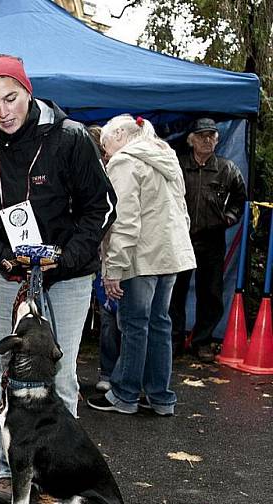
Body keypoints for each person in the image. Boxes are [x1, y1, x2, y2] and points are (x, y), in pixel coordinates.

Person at [0, 54, 116, 504]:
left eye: (11, 98)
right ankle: (10, 470)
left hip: (67, 276)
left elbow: (101, 208)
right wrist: (4, 261)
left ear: (28, 92)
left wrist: (66, 259)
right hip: (12, 276)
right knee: (4, 371)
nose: (3, 111)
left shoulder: (70, 139)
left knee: (62, 373)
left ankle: (58, 473)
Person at [87, 115, 196, 416]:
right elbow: (182, 210)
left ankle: (125, 394)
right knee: (160, 323)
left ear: (120, 134)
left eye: (106, 145)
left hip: (141, 256)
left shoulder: (125, 163)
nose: (106, 153)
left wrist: (113, 270)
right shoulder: (166, 156)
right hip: (170, 254)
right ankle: (161, 397)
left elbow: (124, 222)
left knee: (134, 325)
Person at [169, 117, 247, 362]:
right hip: (181, 238)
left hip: (212, 239)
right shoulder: (178, 166)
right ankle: (174, 340)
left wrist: (229, 218)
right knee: (175, 292)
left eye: (212, 136)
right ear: (191, 140)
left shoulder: (227, 168)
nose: (207, 140)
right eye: (202, 135)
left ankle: (203, 341)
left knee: (211, 292)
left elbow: (239, 198)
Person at [86, 124, 120, 392]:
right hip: (99, 257)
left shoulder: (119, 172)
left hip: (113, 257)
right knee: (109, 315)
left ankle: (116, 375)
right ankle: (109, 372)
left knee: (116, 316)